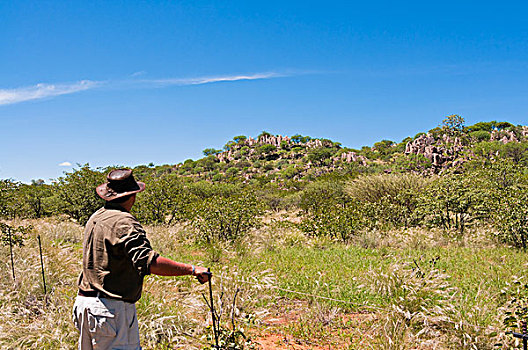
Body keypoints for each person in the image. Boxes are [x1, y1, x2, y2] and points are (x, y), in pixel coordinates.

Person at [72, 168, 211, 349]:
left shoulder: (96, 216)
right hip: (110, 310)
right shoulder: (124, 222)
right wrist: (192, 269)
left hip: (85, 305)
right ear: (132, 196)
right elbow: (148, 262)